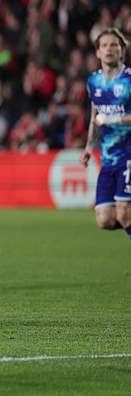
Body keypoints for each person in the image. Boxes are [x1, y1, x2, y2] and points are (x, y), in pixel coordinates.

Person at [79, 28, 131, 241]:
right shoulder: (93, 82)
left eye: (114, 45)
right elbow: (95, 116)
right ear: (98, 53)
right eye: (104, 45)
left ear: (122, 52)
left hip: (128, 154)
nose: (109, 49)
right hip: (108, 158)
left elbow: (106, 118)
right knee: (105, 219)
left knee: (124, 212)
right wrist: (89, 148)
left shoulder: (128, 81)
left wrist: (114, 120)